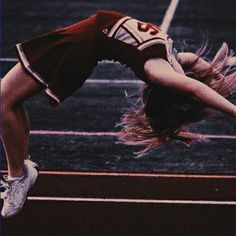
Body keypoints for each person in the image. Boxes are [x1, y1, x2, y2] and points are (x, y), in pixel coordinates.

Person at [1, 9, 236, 218]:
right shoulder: (173, 63)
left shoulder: (159, 71)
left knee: (4, 102)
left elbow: (195, 82)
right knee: (8, 101)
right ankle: (21, 171)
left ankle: (18, 176)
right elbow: (196, 64)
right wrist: (221, 80)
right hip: (82, 36)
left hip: (80, 44)